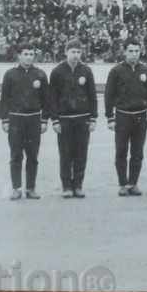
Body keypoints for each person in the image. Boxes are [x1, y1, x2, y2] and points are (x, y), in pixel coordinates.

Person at [104, 39, 147, 197]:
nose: (134, 54)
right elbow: (109, 95)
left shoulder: (146, 71)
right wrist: (109, 117)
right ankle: (122, 184)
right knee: (121, 150)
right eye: (131, 51)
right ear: (124, 52)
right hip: (123, 116)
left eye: (137, 51)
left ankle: (133, 183)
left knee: (137, 152)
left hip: (141, 116)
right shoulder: (116, 71)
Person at [1, 42, 50, 200]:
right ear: (19, 55)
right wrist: (5, 120)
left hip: (34, 120)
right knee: (16, 155)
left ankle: (30, 188)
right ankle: (16, 188)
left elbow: (46, 100)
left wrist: (44, 120)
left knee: (33, 156)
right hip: (15, 120)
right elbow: (5, 100)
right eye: (26, 54)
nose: (29, 57)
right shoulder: (10, 74)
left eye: (31, 54)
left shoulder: (40, 74)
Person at [49, 38, 97, 198]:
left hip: (82, 118)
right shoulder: (57, 72)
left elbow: (92, 96)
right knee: (65, 154)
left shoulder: (86, 71)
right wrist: (55, 119)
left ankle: (78, 185)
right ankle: (66, 186)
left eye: (78, 52)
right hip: (64, 119)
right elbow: (52, 98)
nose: (76, 55)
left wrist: (93, 118)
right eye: (73, 52)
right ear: (66, 52)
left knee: (81, 153)